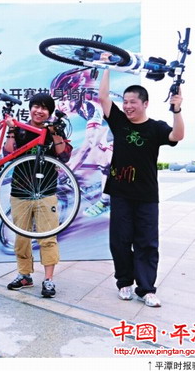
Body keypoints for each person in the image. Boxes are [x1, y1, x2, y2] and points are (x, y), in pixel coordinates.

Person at [99, 67, 184, 307]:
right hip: (120, 193)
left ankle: (146, 289)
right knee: (120, 240)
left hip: (147, 195)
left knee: (147, 242)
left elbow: (177, 136)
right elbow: (103, 97)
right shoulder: (118, 121)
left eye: (132, 102)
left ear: (145, 103)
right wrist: (106, 66)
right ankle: (124, 283)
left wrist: (177, 109)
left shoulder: (155, 128)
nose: (127, 106)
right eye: (125, 102)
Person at [4, 93, 72, 298]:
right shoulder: (22, 129)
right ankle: (24, 275)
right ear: (30, 108)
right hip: (20, 192)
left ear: (49, 113)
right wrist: (11, 130)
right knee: (21, 238)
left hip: (46, 192)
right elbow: (8, 153)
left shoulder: (53, 131)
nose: (39, 111)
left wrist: (56, 133)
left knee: (47, 237)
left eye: (44, 108)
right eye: (36, 106)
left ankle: (49, 280)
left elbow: (65, 156)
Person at [50, 68, 113, 217]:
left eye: (64, 98)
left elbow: (88, 144)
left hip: (124, 128)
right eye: (58, 98)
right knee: (79, 153)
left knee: (103, 153)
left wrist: (70, 170)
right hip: (109, 127)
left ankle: (105, 201)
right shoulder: (76, 102)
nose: (61, 104)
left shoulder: (92, 102)